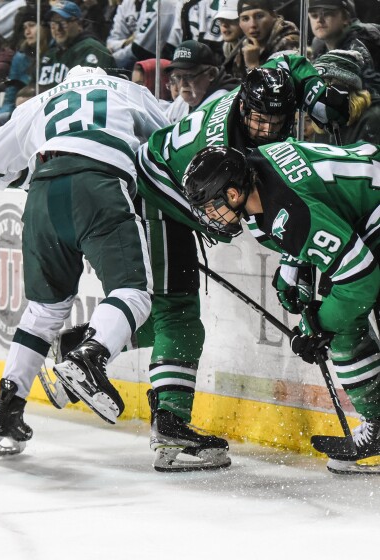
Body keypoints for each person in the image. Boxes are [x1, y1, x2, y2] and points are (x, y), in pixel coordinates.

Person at [132, 56, 358, 471]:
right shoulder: (224, 151)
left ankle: (99, 338)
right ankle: (166, 420)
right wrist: (295, 261)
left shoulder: (259, 92)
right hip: (158, 194)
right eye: (259, 120)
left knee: (171, 314)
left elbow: (287, 62)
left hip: (173, 185)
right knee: (177, 313)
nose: (268, 129)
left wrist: (312, 89)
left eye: (278, 119)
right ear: (241, 107)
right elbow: (263, 219)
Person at [0, 65, 168, 456]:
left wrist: (24, 175)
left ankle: (8, 408)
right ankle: (91, 355)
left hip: (43, 192)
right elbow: (168, 143)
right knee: (133, 293)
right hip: (99, 184)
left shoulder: (38, 102)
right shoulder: (127, 90)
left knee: (44, 309)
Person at [183, 141, 380, 473]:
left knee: (344, 317)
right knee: (344, 314)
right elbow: (311, 198)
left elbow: (360, 280)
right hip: (369, 201)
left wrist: (319, 326)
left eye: (211, 206)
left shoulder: (287, 211)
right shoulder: (257, 166)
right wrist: (293, 266)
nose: (210, 216)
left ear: (233, 194)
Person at [37, 1, 115, 88]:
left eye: (63, 23)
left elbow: (91, 90)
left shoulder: (93, 49)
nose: (58, 29)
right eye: (53, 24)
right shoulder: (49, 55)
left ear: (79, 24)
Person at [309, 0, 380, 95]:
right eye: (314, 15)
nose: (319, 20)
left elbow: (372, 94)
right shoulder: (318, 46)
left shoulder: (362, 40)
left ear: (346, 17)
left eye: (327, 14)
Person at [163, 40, 240, 123]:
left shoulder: (224, 101)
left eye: (189, 76)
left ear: (211, 74)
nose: (182, 84)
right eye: (177, 77)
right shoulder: (182, 99)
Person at [230, 0, 298, 79]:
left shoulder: (289, 42)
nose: (252, 25)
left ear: (274, 16)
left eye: (259, 16)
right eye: (245, 19)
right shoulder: (244, 47)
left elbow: (282, 85)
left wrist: (253, 66)